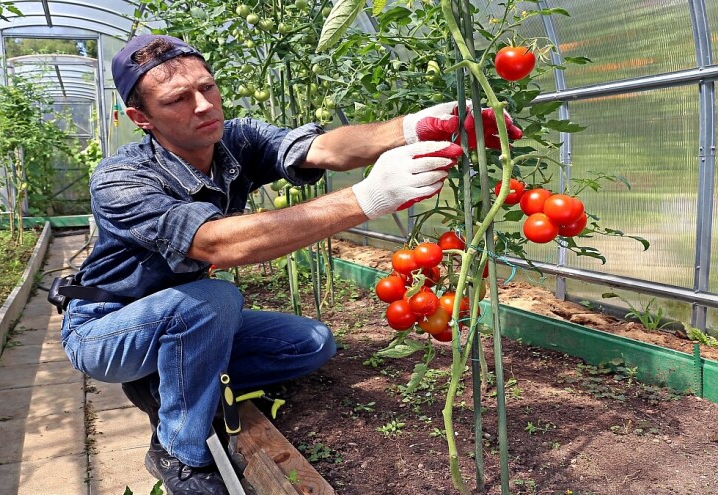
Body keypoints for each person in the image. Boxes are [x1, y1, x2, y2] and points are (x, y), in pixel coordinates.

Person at [59, 34, 521, 494]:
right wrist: (367, 198)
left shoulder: (234, 141)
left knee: (310, 344)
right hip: (107, 327)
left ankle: (173, 378)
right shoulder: (121, 179)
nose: (203, 106)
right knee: (213, 298)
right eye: (178, 99)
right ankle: (180, 449)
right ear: (142, 118)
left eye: (208, 87)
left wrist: (412, 128)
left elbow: (325, 149)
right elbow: (214, 245)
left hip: (185, 315)